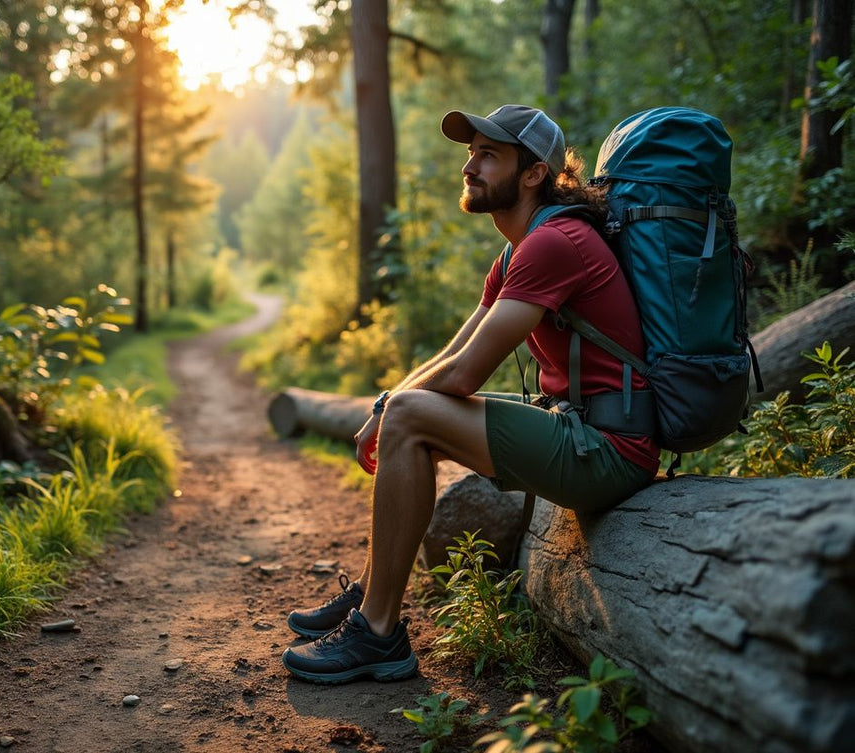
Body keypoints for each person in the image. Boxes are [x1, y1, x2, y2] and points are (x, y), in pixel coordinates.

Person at [280, 104, 660, 685]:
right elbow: (454, 355)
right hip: (581, 431)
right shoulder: (515, 251)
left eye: (488, 155)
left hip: (609, 450)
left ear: (533, 173)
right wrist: (387, 403)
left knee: (412, 416)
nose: (470, 166)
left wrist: (390, 412)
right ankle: (371, 600)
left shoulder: (554, 243)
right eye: (470, 152)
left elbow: (461, 380)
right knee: (409, 413)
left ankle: (378, 632)